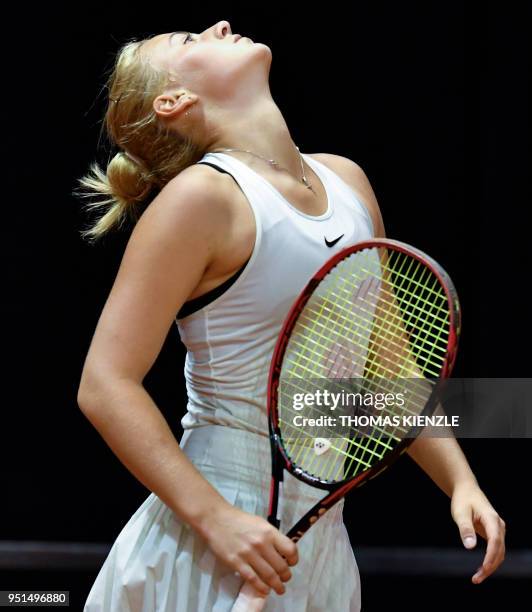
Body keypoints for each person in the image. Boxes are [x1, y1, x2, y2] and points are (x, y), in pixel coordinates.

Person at [76, 20, 506, 612]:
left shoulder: (348, 181)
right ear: (174, 100)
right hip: (213, 535)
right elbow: (104, 384)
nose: (219, 24)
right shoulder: (201, 200)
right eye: (187, 39)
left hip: (319, 546)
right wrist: (219, 521)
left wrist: (460, 479)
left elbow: (387, 368)